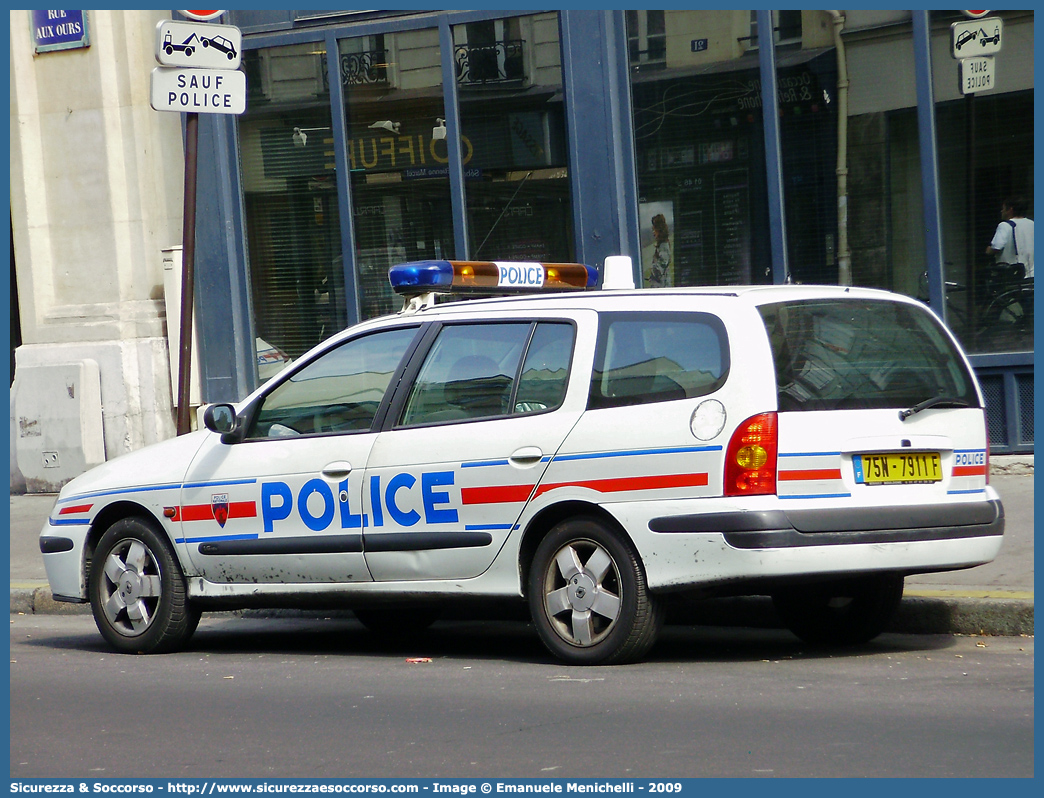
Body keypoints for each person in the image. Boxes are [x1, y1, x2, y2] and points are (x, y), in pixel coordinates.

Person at [986, 196, 1034, 279]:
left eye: (1003, 209)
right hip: (1032, 275)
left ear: (1010, 210)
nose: (1001, 211)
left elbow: (997, 246)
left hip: (1014, 275)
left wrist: (988, 250)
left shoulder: (1005, 225)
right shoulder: (1033, 224)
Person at [646, 213, 672, 287]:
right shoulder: (661, 245)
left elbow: (660, 268)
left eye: (655, 230)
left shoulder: (663, 246)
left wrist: (652, 271)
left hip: (662, 287)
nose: (653, 232)